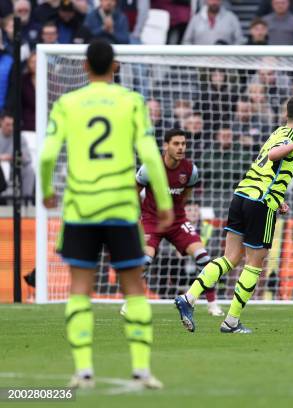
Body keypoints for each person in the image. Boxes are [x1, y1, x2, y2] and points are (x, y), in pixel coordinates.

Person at [39, 39, 173, 389]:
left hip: (81, 208)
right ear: (114, 66)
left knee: (80, 290)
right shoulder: (132, 102)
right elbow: (149, 152)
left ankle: (83, 370)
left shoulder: (68, 103)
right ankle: (142, 369)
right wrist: (164, 202)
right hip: (120, 208)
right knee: (133, 290)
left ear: (84, 67)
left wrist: (48, 191)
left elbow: (47, 154)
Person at [175, 96, 293, 334]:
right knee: (254, 263)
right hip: (260, 203)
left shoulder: (278, 131)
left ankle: (188, 298)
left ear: (286, 114)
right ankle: (231, 321)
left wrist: (279, 198)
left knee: (230, 258)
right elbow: (273, 156)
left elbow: (267, 168)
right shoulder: (290, 138)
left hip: (241, 196)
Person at [123, 129, 223, 317]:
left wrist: (178, 213)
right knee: (144, 260)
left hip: (177, 221)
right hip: (152, 220)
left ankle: (212, 305)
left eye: (183, 144)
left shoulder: (191, 170)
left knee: (203, 257)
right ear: (166, 146)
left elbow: (186, 195)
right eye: (176, 144)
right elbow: (133, 191)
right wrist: (138, 217)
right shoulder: (150, 168)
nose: (181, 147)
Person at [0, 112, 36, 201]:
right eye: (7, 125)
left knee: (29, 170)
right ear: (1, 122)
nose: (10, 128)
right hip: (1, 171)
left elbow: (27, 159)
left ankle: (26, 200)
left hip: (16, 166)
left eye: (12, 125)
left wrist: (11, 157)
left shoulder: (20, 137)